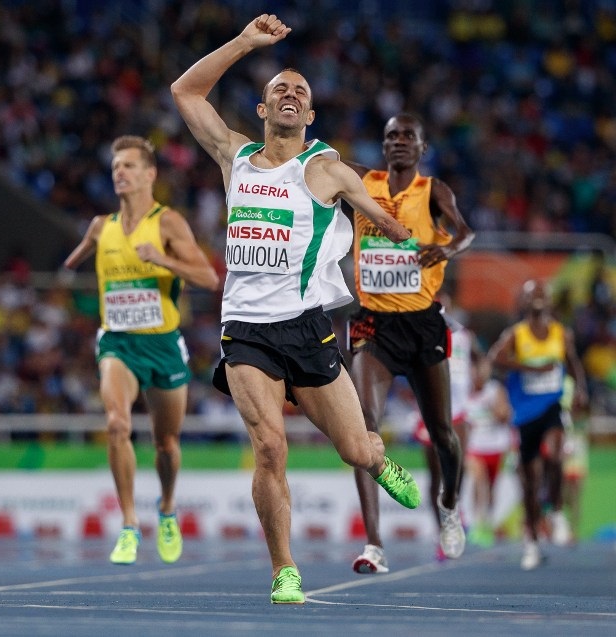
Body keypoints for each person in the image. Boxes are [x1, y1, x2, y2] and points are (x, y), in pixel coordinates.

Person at [171, 14, 421, 604]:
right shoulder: (233, 155)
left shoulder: (325, 169)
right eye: (279, 89)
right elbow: (185, 91)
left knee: (356, 449)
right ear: (262, 110)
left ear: (309, 116)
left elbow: (374, 213)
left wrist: (393, 228)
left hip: (306, 327)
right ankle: (285, 568)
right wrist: (246, 43)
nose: (289, 94)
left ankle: (378, 459)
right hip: (245, 331)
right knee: (269, 447)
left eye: (300, 92)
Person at [62, 135, 219, 565]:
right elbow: (72, 262)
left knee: (166, 443)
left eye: (129, 166)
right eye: (116, 167)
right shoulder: (101, 226)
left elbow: (208, 278)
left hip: (163, 345)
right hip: (118, 343)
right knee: (116, 423)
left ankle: (166, 509)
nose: (120, 172)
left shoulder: (167, 223)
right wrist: (78, 257)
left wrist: (164, 260)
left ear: (150, 175)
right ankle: (129, 525)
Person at [344, 113, 475, 574]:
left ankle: (448, 505)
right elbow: (317, 166)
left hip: (422, 324)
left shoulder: (433, 191)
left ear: (422, 147)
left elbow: (465, 231)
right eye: (391, 135)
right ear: (382, 146)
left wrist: (448, 248)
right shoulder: (361, 182)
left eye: (408, 136)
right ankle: (374, 545)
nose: (399, 142)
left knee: (442, 432)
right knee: (363, 427)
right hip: (372, 324)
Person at [487, 279, 588, 570]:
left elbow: (573, 363)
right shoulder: (516, 335)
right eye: (532, 295)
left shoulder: (561, 333)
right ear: (524, 302)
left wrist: (581, 389)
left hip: (552, 405)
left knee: (556, 453)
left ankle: (556, 511)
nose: (538, 299)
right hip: (525, 411)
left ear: (550, 301)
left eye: (542, 294)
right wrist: (532, 368)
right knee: (529, 482)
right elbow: (496, 358)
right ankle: (531, 543)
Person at [411, 308, 480, 558]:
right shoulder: (420, 334)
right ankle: (441, 531)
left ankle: (453, 512)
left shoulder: (464, 336)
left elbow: (480, 360)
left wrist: (479, 375)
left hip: (459, 410)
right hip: (430, 410)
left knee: (457, 469)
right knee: (436, 475)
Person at [463, 355, 513, 547]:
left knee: (491, 487)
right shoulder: (463, 392)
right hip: (475, 447)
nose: (479, 374)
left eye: (484, 370)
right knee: (478, 480)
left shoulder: (495, 390)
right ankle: (477, 522)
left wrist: (492, 408)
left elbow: (505, 416)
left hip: (496, 446)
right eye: (476, 370)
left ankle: (489, 522)